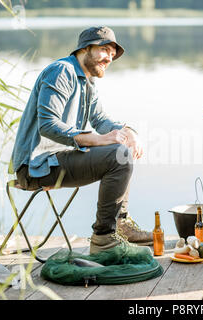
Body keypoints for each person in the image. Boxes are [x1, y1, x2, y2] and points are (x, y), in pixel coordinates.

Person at [9, 26, 153, 254]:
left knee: (121, 148)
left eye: (112, 55)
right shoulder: (61, 71)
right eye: (105, 50)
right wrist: (96, 140)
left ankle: (121, 224)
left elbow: (101, 120)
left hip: (57, 161)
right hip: (35, 167)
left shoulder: (87, 82)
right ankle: (104, 238)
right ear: (85, 48)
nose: (109, 58)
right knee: (119, 155)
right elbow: (48, 124)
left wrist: (129, 132)